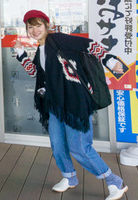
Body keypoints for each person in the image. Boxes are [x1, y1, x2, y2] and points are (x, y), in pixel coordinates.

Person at [13, 10, 128, 200]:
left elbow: (88, 44)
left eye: (38, 26)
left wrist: (109, 60)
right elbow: (34, 73)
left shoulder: (58, 39)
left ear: (47, 26)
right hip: (55, 104)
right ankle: (69, 177)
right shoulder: (41, 49)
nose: (34, 30)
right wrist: (20, 53)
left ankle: (114, 181)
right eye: (30, 27)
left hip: (75, 103)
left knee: (80, 147)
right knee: (57, 145)